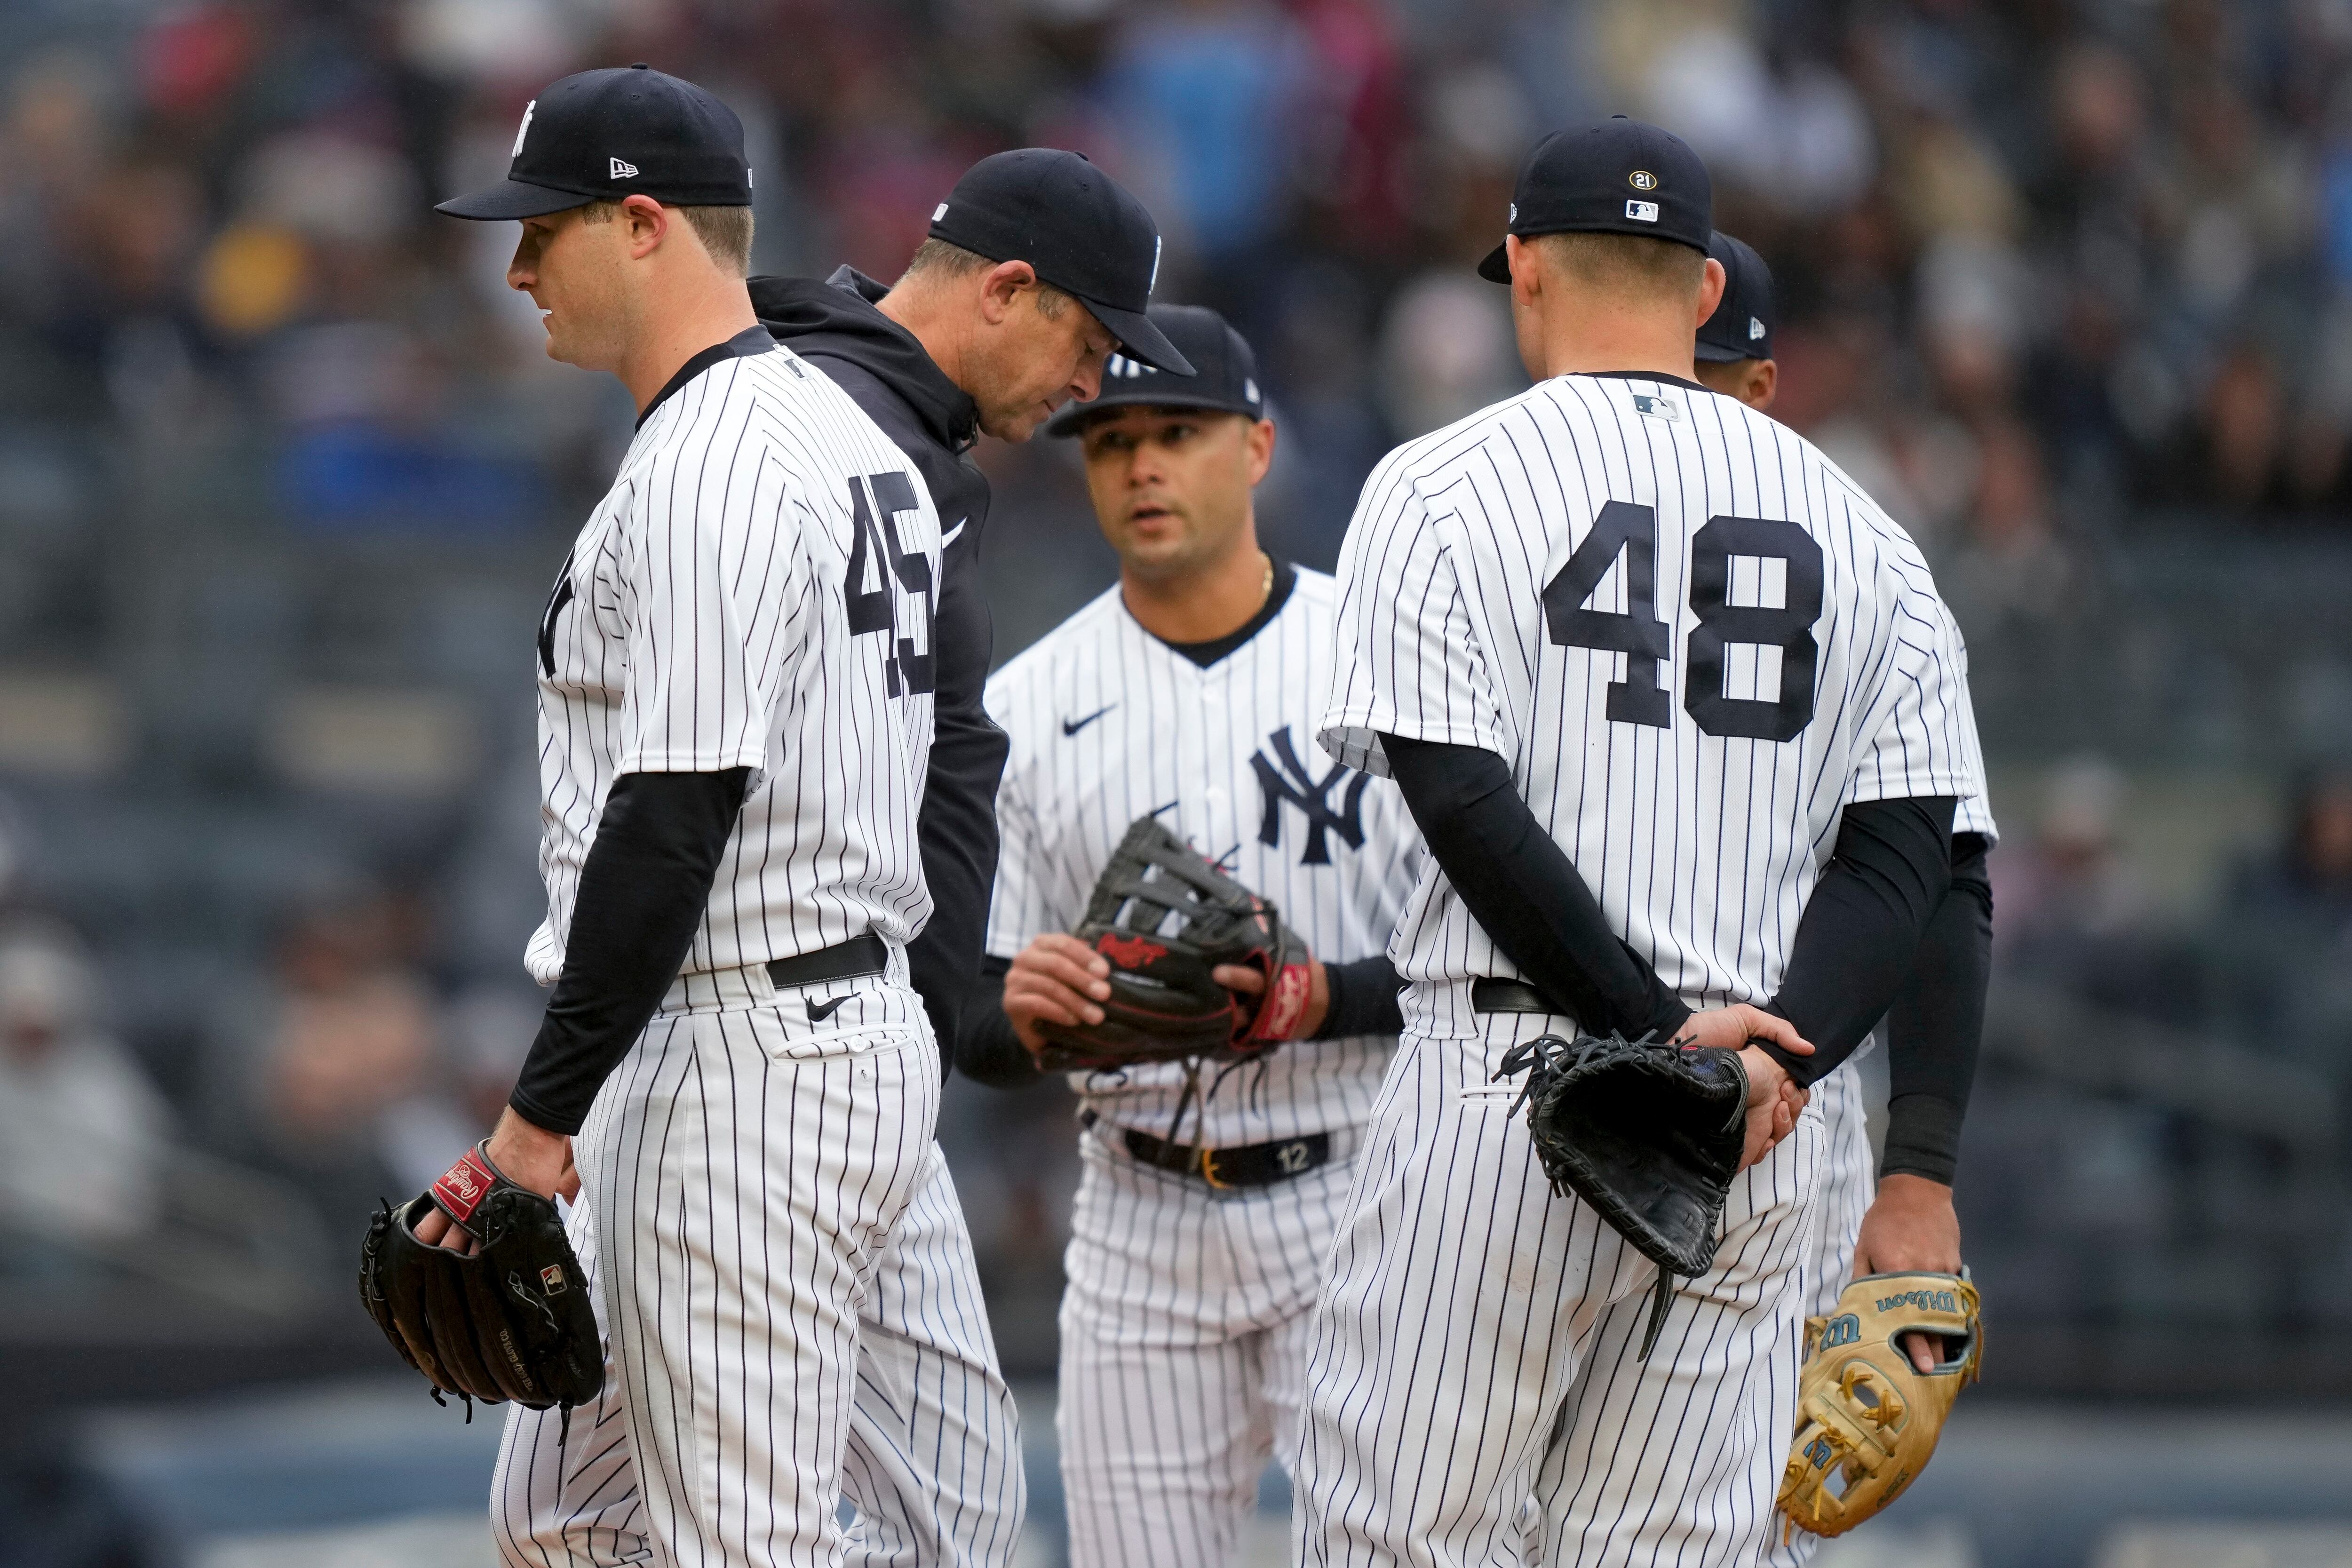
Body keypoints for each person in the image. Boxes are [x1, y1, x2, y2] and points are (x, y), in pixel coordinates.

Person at [1295, 119, 1986, 1567]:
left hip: (1513, 1087)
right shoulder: (1869, 530)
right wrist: (1767, 1059)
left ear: (1527, 270)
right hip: (1760, 1134)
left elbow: (1464, 806)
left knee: (1399, 1544)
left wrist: (1661, 1036)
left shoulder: (1439, 484)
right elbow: (1909, 857)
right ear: (1697, 285)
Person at [426, 66, 951, 1568]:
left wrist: (536, 1122)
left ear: (643, 223)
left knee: (745, 1544)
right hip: (788, 1022)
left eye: (547, 227)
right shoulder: (839, 428)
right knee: (564, 1515)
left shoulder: (716, 457)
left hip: (746, 1047)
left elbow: (678, 809)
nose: (517, 265)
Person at [738, 146, 1193, 1567]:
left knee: (950, 1525)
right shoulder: (783, 417)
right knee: (674, 1522)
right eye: (1090, 341)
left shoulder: (908, 443)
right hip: (749, 1041)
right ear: (1007, 288)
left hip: (850, 1032)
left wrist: (982, 1008)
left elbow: (940, 773)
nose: (1095, 387)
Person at [955, 304, 1424, 1568]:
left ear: (1258, 448)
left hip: (1364, 1191)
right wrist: (1023, 1014)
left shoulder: (1383, 666)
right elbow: (976, 1021)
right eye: (1112, 443)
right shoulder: (1027, 706)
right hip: (1136, 1209)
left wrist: (1325, 999)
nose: (1143, 466)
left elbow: (1497, 967)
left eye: (1179, 433)